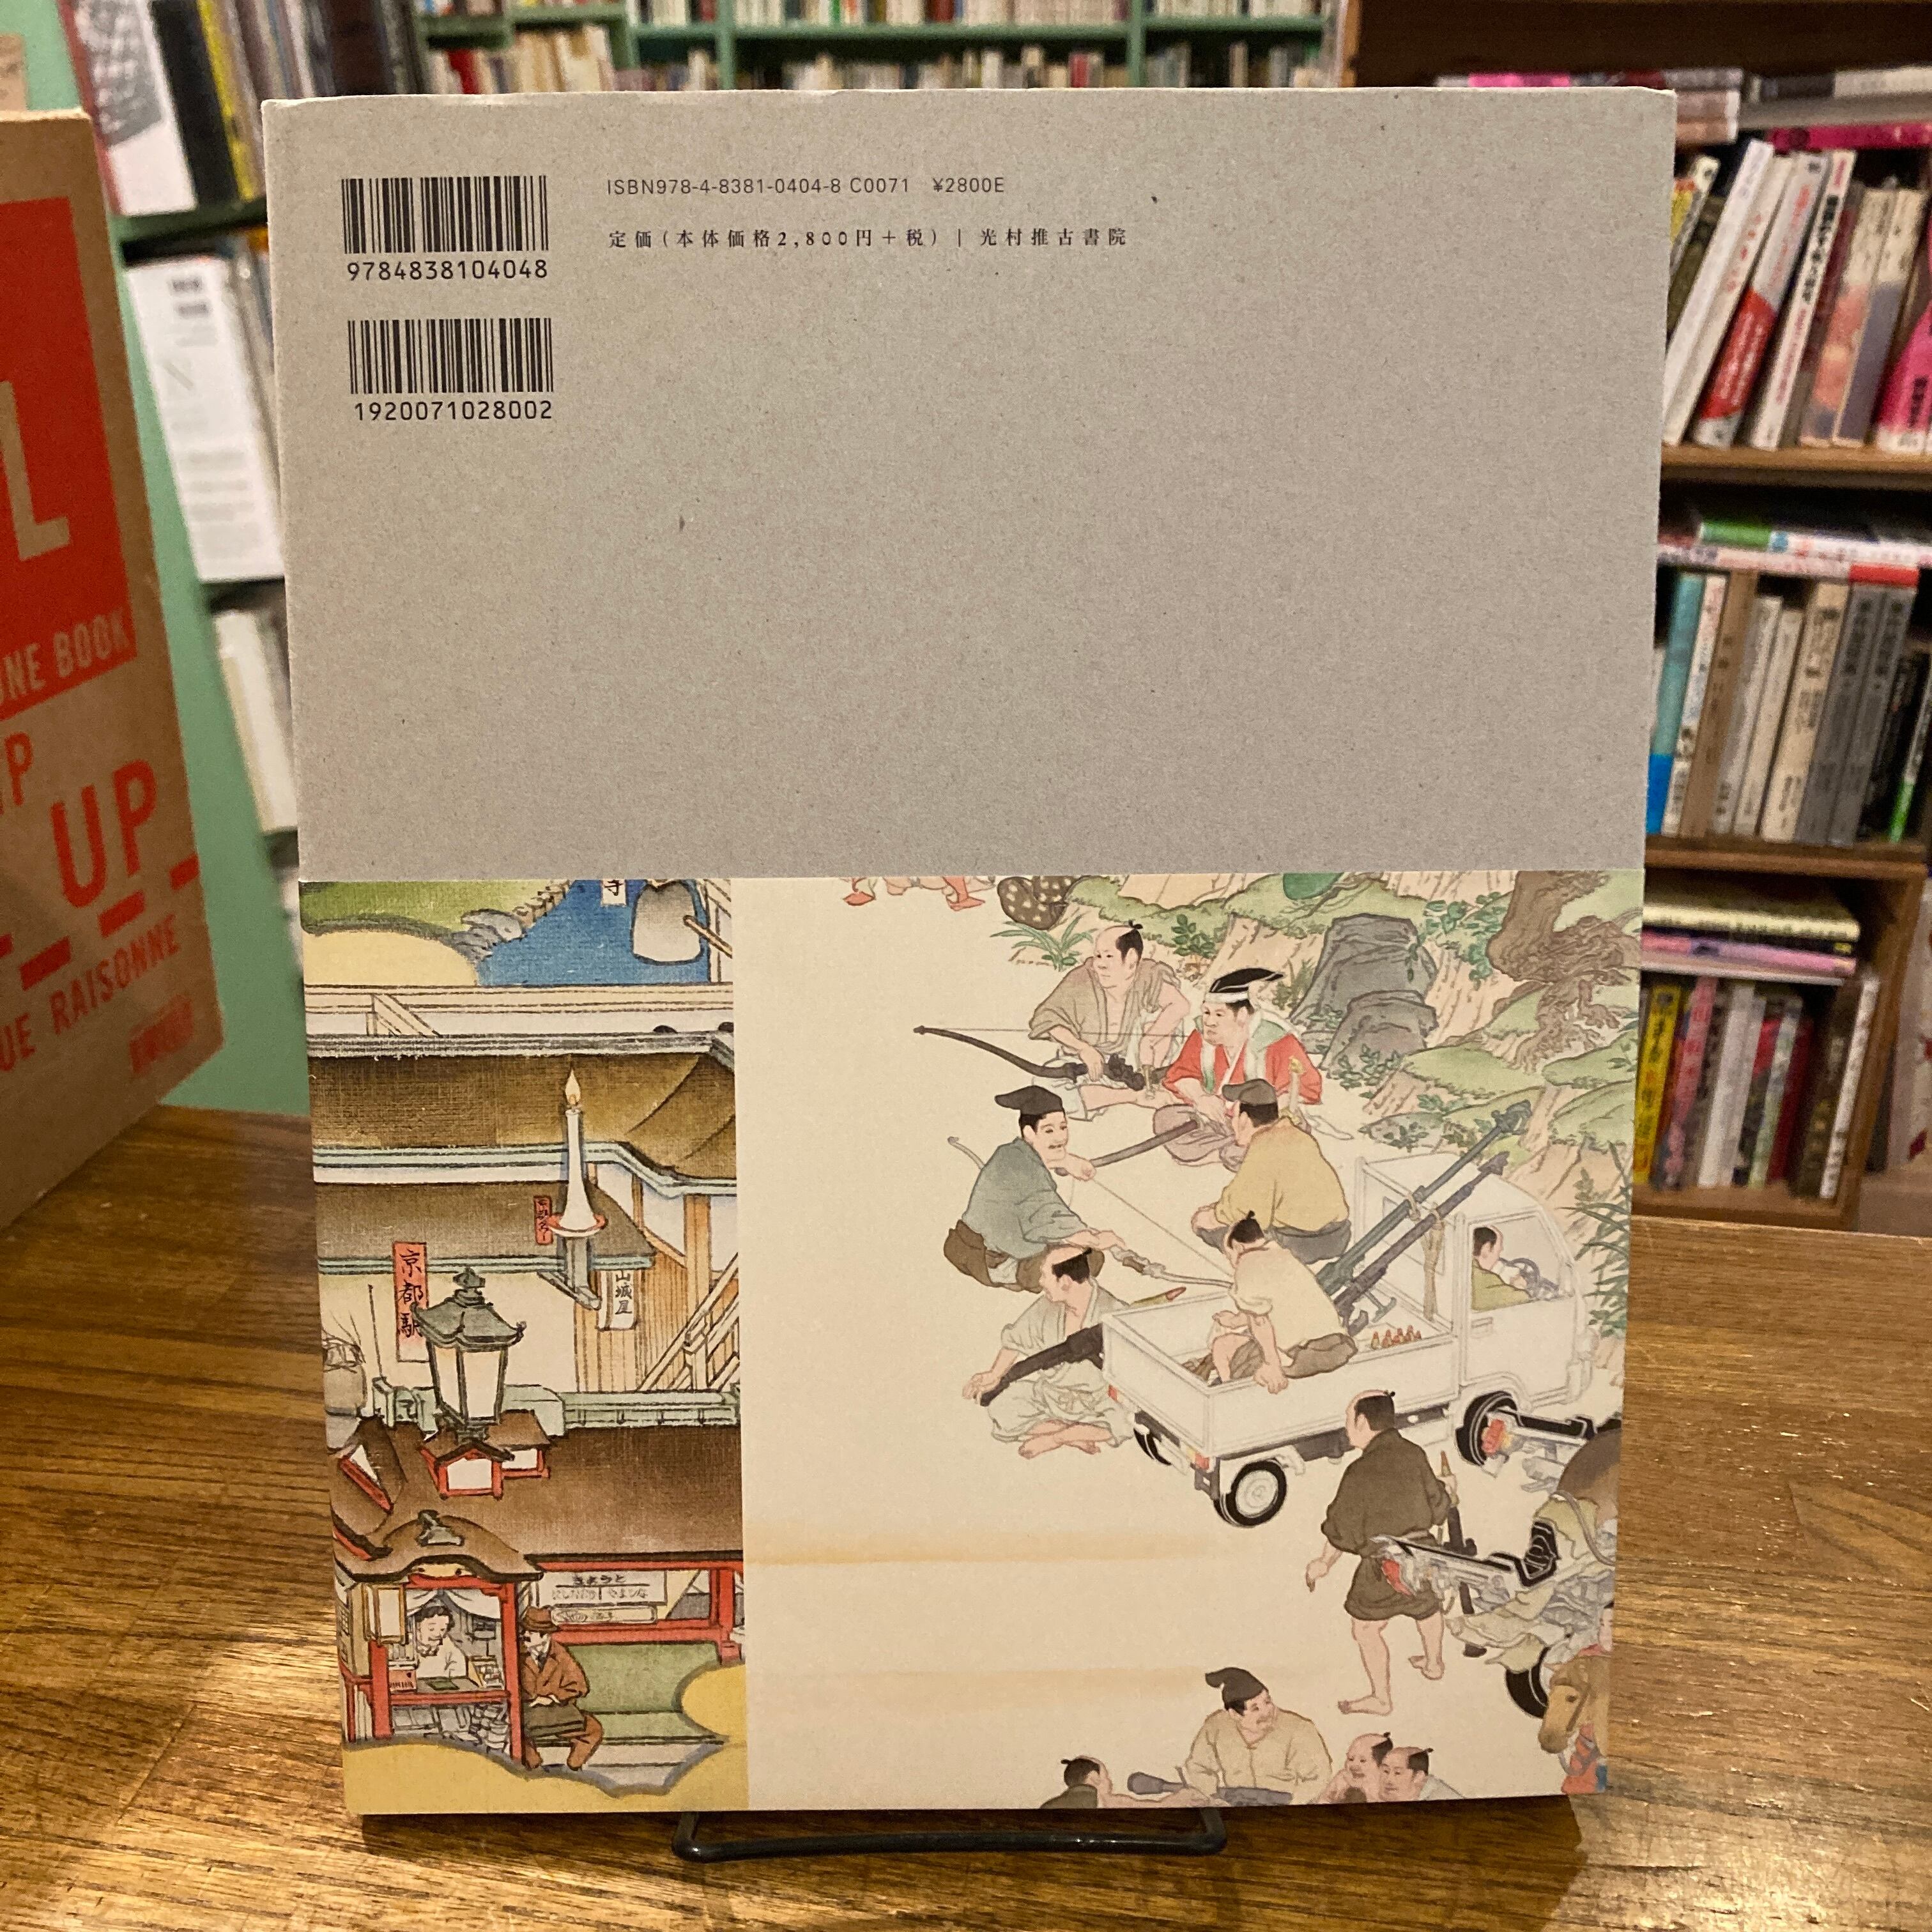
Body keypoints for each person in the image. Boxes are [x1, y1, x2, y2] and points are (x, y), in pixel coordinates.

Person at [1305, 1392, 1453, 1716]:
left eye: (1348, 1420)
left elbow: (1342, 1530)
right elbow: (1439, 1508)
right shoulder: (1414, 1454)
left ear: (1362, 1422)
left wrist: (1324, 1563)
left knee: (1365, 1629)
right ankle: (1434, 1664)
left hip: (1382, 1566)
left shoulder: (1359, 1471)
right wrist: (1449, 1489)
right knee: (1428, 1609)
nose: (1346, 1428)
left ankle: (1381, 1699)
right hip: (1424, 1556)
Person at [944, 1085, 1123, 1291]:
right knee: (1088, 1261)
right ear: (1029, 1132)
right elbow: (1046, 1211)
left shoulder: (1014, 1153)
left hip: (1005, 1246)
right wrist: (1095, 1239)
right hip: (989, 1256)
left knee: (1082, 1257)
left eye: (1063, 1127)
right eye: (1049, 1130)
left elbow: (1042, 1161)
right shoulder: (1017, 1164)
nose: (1060, 1137)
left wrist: (1067, 1160)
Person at [965, 1245, 1130, 1458]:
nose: (1041, 1282)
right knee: (1001, 1406)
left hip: (1098, 1402)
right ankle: (1073, 1433)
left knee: (1127, 1421)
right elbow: (1016, 1340)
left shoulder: (1115, 1313)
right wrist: (995, 1374)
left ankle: (1058, 1437)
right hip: (1051, 1395)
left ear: (1065, 1282)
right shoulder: (1048, 1306)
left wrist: (1053, 1440)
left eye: (1044, 1276)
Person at [1190, 1080, 1351, 1266]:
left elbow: (1249, 1212)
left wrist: (1213, 1217)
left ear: (1244, 1120)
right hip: (1339, 1235)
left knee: (1208, 1226)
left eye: (1234, 1117)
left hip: (1301, 1243)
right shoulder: (1299, 1136)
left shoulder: (1264, 1147)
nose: (1232, 1124)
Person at [1184, 1216, 1356, 1389]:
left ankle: (1229, 1390)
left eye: (1229, 1255)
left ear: (1238, 1247)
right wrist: (1235, 1321)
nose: (1231, 1261)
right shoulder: (1283, 1256)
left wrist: (1271, 1364)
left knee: (1222, 1347)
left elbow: (1259, 1320)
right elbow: (1272, 1305)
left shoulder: (1247, 1265)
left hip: (1301, 1354)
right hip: (1338, 1345)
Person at [1028, 923, 1191, 1105]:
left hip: (1139, 1065)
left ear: (1131, 959)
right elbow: (1048, 1019)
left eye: (1109, 956)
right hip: (1092, 1065)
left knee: (1159, 1016)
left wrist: (1149, 1041)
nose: (1100, 965)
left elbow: (1180, 1005)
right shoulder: (1082, 978)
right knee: (1044, 1086)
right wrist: (1083, 1048)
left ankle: (1148, 1086)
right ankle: (1133, 1097)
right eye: (1098, 956)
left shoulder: (1148, 975)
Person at [1163, 968, 1322, 1128]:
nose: (1209, 1022)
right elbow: (1181, 1075)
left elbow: (1303, 1089)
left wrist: (1261, 1117)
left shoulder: (1278, 1041)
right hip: (1216, 1119)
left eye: (1219, 1014)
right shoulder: (1203, 1035)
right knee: (1167, 1119)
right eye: (1206, 1012)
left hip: (1264, 1123)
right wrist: (1202, 1098)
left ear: (1242, 1014)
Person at [1179, 1667, 1332, 1805]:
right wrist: (1213, 1798)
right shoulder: (1216, 1726)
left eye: (1268, 1702)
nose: (1267, 1712)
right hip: (1232, 1803)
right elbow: (1197, 1766)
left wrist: (1295, 1805)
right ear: (1234, 1714)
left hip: (1285, 1803)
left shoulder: (1299, 1729)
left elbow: (1319, 1775)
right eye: (1255, 1709)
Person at [516, 1608, 604, 1772]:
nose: (525, 1635)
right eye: (525, 1631)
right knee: (514, 1729)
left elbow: (580, 1686)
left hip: (557, 1712)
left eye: (531, 1632)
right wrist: (533, 1699)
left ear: (545, 1636)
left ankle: (573, 1769)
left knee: (593, 1729)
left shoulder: (560, 1654)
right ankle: (534, 1769)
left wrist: (552, 1697)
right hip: (529, 1713)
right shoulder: (517, 1653)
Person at [1316, 1731, 1391, 1804]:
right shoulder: (1341, 1778)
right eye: (1351, 1759)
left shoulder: (1382, 1785)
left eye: (1363, 1761)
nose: (1354, 1766)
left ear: (1382, 1766)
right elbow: (1324, 1799)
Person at [1469, 1225, 1532, 1311]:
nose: (1501, 1251)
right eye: (1498, 1250)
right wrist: (1518, 1287)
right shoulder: (1487, 1279)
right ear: (1487, 1248)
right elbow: (1524, 1298)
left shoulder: (1470, 1270)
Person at [1377, 1745, 1462, 1802]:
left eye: (1398, 1773)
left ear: (1419, 1776)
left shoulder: (1442, 1800)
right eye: (1386, 1771)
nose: (1388, 1780)